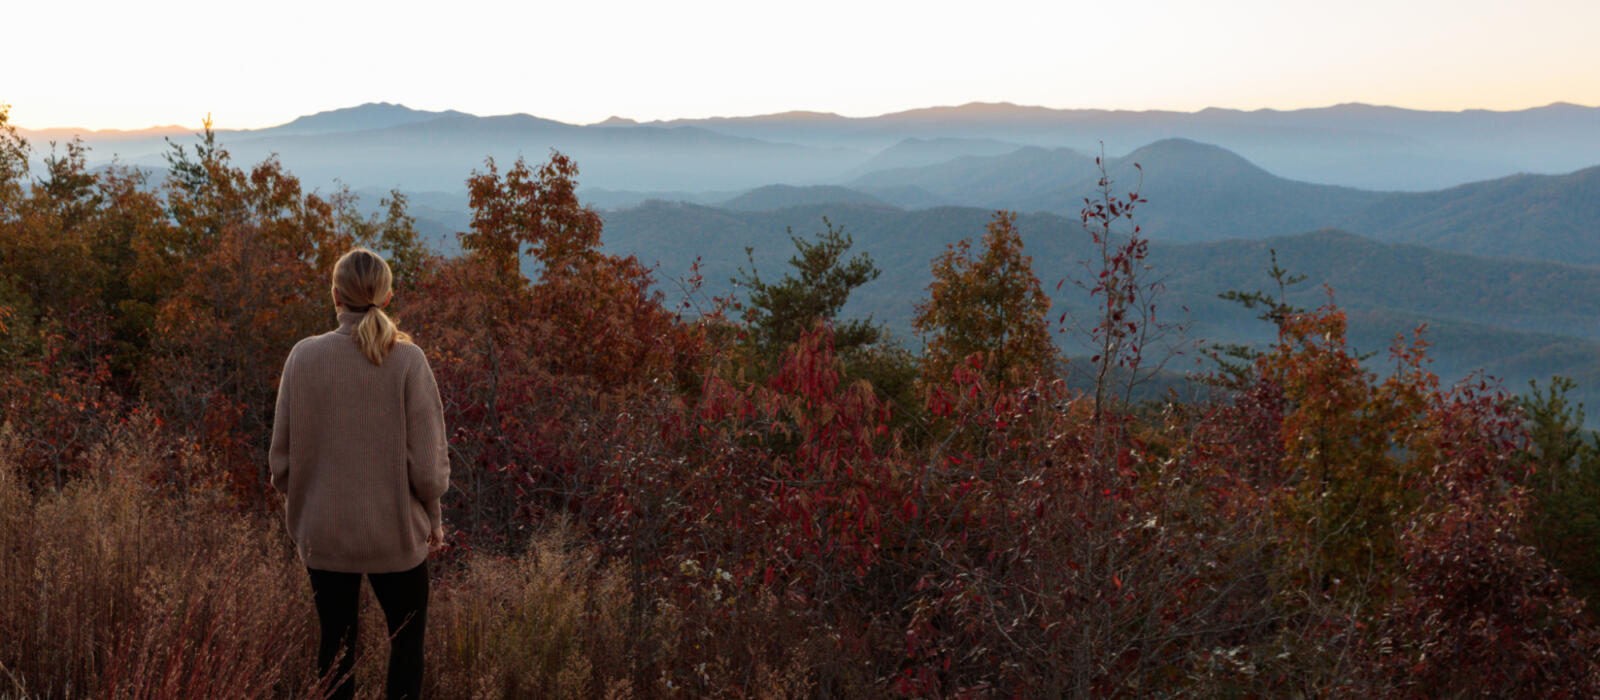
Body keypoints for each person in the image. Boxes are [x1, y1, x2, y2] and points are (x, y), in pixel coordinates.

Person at [269, 247, 450, 700]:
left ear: (335, 295)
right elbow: (428, 470)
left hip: (324, 538)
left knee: (335, 649)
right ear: (386, 297)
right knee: (406, 645)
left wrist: (308, 509)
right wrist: (434, 517)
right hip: (397, 537)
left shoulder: (302, 357)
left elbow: (281, 464)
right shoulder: (408, 361)